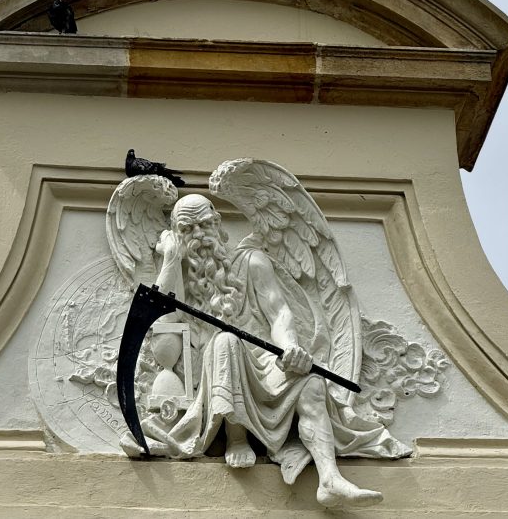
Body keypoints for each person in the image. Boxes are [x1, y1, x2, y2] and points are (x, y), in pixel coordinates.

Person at [144, 193, 409, 508]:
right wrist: (171, 259)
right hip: (213, 370)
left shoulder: (251, 262)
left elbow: (279, 314)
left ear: (217, 224)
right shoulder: (178, 279)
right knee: (226, 340)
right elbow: (161, 331)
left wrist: (290, 349)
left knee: (311, 382)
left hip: (264, 359)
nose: (199, 236)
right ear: (176, 234)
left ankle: (329, 479)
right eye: (187, 230)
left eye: (204, 225)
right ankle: (236, 437)